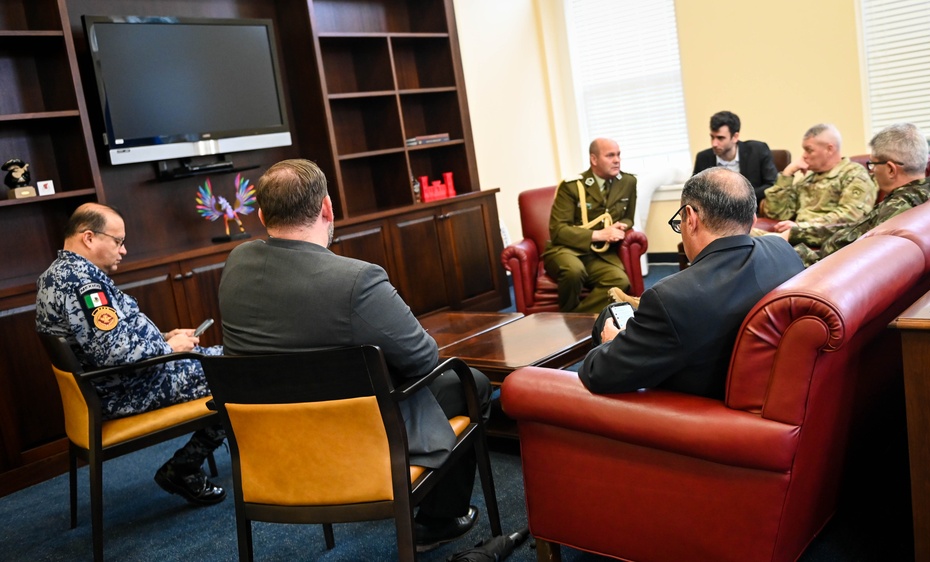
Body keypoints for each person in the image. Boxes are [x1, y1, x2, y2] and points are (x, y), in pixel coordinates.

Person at [217, 159, 494, 553]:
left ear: (261, 216)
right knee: (472, 384)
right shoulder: (356, 279)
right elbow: (422, 359)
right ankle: (440, 520)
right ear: (327, 208)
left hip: (271, 447)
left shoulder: (236, 265)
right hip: (354, 437)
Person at [35, 203, 227, 506]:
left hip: (122, 380)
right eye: (118, 241)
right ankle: (184, 468)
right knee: (232, 370)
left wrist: (166, 337)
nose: (123, 250)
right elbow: (115, 352)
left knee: (224, 356)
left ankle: (191, 465)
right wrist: (169, 349)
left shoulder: (55, 275)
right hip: (129, 389)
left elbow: (108, 339)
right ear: (89, 238)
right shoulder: (83, 284)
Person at [578, 168, 804, 398]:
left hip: (699, 413)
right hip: (776, 395)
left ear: (691, 218)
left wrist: (610, 344)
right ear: (752, 219)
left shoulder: (673, 297)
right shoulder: (783, 251)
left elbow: (598, 374)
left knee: (610, 315)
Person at [777, 123, 930, 266]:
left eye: (873, 165)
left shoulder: (899, 209)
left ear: (890, 169)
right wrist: (796, 233)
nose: (872, 171)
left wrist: (785, 254)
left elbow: (845, 255)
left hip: (818, 268)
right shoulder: (924, 195)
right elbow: (858, 228)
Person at [542, 137, 637, 313]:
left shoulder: (628, 182)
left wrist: (621, 225)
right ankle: (574, 321)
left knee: (619, 281)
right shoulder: (572, 186)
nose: (617, 160)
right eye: (610, 155)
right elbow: (558, 230)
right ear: (594, 159)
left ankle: (576, 321)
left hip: (598, 254)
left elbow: (629, 217)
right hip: (565, 249)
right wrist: (600, 234)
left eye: (618, 155)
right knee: (573, 271)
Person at [759, 123, 877, 232]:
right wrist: (787, 174)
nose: (804, 156)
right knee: (745, 237)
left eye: (809, 150)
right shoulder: (809, 178)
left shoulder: (854, 174)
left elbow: (851, 216)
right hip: (796, 235)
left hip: (824, 241)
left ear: (829, 149)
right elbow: (777, 214)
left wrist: (801, 228)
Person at [692, 111, 778, 204]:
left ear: (735, 137)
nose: (714, 144)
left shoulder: (757, 151)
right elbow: (694, 193)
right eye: (712, 137)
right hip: (716, 216)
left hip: (752, 211)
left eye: (720, 138)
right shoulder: (703, 158)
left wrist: (741, 199)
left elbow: (772, 184)